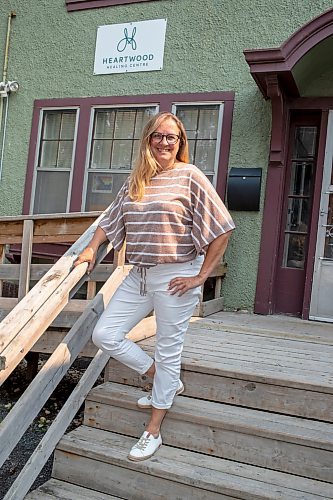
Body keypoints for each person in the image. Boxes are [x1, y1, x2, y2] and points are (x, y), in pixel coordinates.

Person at [74, 111, 235, 461]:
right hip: (140, 273)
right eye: (158, 136)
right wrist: (91, 247)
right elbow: (110, 220)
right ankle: (161, 377)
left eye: (172, 138)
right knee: (105, 334)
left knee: (168, 347)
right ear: (148, 139)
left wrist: (200, 277)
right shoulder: (137, 179)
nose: (164, 142)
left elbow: (222, 227)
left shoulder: (189, 176)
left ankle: (153, 430)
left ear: (180, 144)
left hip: (177, 275)